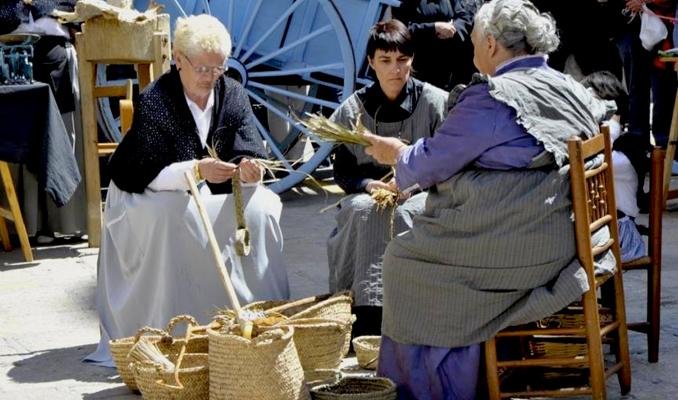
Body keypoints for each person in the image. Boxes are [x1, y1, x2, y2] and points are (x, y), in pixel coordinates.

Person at [363, 0, 616, 397]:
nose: (473, 48)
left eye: (477, 40)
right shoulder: (567, 87)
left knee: (403, 260)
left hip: (522, 248)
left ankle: (437, 385)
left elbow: (429, 163)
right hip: (569, 239)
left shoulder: (493, 97)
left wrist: (395, 153)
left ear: (492, 44)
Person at [85, 14, 290, 366]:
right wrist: (196, 169)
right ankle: (173, 328)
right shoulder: (156, 101)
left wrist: (250, 170)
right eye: (203, 69)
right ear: (178, 60)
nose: (211, 78)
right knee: (172, 215)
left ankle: (258, 316)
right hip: (146, 191)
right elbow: (145, 173)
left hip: (208, 189)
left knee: (265, 206)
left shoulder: (233, 95)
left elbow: (249, 150)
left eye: (219, 69)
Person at [327, 19, 448, 338]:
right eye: (385, 61)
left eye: (402, 60)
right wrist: (368, 185)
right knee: (363, 210)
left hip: (424, 190)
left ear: (412, 60)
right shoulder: (352, 110)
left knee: (408, 213)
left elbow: (449, 163)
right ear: (371, 63)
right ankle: (361, 317)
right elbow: (343, 170)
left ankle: (415, 314)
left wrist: (414, 182)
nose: (395, 69)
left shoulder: (436, 103)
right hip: (369, 190)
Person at [581, 70, 646, 263]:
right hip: (599, 233)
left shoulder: (625, 152)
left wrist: (613, 124)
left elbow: (592, 159)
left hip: (620, 236)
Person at [391, 0, 476, 90]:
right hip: (419, 65)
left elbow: (464, 16)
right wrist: (434, 28)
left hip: (448, 65)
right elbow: (401, 29)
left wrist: (453, 29)